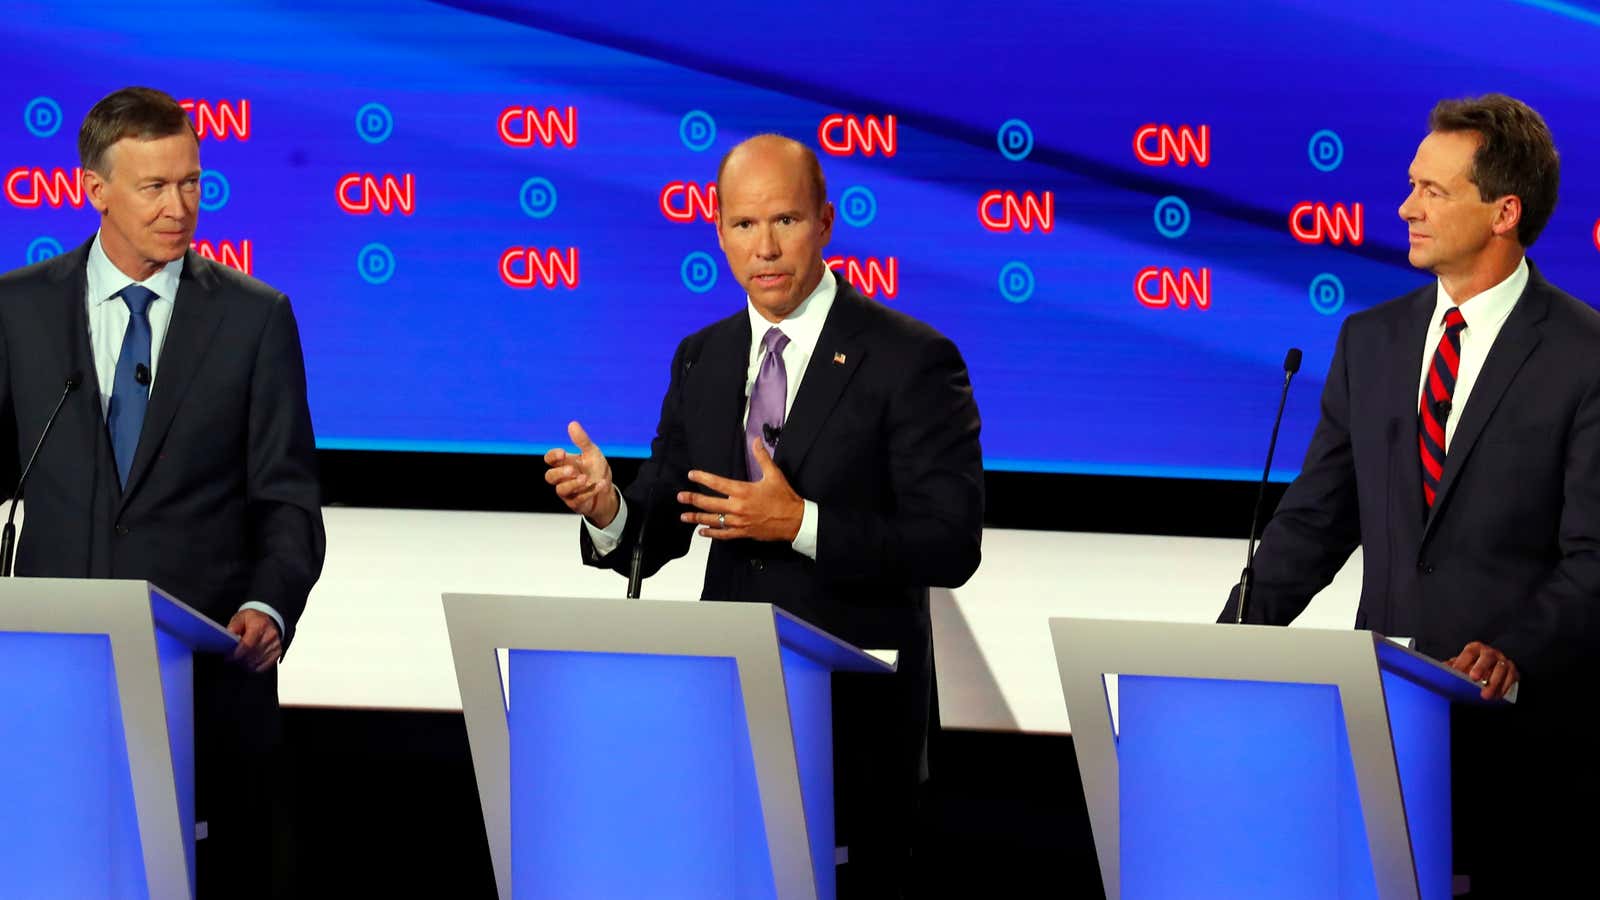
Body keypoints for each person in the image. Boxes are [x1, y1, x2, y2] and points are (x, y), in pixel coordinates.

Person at [544, 133, 983, 896]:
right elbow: (667, 520)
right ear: (718, 231)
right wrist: (612, 506)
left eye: (785, 220)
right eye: (744, 226)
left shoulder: (910, 358)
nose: (766, 247)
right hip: (727, 719)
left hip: (854, 730)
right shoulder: (703, 358)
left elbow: (950, 543)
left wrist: (801, 523)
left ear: (825, 223)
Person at [1220, 94, 1600, 895]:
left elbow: (1594, 558)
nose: (1405, 207)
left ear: (1504, 212)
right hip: (1383, 734)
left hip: (1524, 745)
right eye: (1410, 185)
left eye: (1434, 191)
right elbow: (1317, 521)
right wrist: (1225, 649)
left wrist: (1514, 653)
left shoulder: (1584, 355)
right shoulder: (1373, 339)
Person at [0, 86, 325, 898]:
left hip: (200, 689)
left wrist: (270, 604)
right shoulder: (18, 310)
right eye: (154, 187)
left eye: (191, 183)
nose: (180, 207)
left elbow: (288, 502)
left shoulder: (255, 320)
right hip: (53, 680)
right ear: (94, 187)